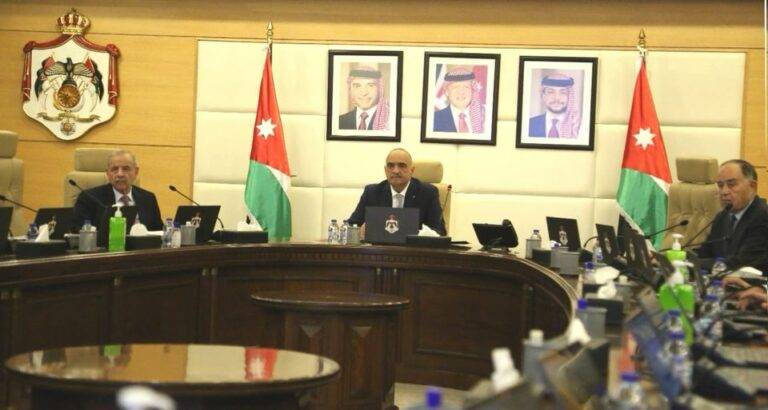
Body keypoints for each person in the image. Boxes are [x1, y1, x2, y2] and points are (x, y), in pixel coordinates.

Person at [348, 148, 446, 236]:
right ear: (385, 170)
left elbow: (440, 232)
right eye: (390, 166)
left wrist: (421, 235)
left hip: (413, 249)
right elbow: (351, 225)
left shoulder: (428, 193)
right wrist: (359, 231)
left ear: (412, 170)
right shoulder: (372, 192)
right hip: (380, 249)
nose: (396, 171)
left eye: (402, 165)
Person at [695, 159, 768, 273]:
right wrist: (679, 259)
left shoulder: (763, 217)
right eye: (720, 185)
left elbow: (743, 263)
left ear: (752, 186)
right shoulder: (722, 217)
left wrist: (695, 264)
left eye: (732, 184)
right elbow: (705, 251)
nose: (724, 191)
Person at [73, 150, 163, 231]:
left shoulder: (148, 198)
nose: (120, 174)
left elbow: (159, 232)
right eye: (114, 169)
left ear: (136, 172)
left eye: (126, 169)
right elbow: (79, 232)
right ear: (108, 173)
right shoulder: (89, 198)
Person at [338, 64, 390, 131]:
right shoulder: (340, 121)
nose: (364, 93)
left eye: (370, 85)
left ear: (380, 89)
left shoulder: (389, 121)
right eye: (357, 86)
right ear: (350, 90)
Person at [528, 73, 581, 138]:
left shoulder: (578, 127)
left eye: (563, 92)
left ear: (570, 96)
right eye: (551, 92)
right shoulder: (529, 125)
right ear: (543, 96)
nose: (557, 98)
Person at [433, 66, 485, 133]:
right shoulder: (435, 119)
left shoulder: (484, 117)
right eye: (456, 87)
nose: (461, 92)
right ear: (447, 92)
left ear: (473, 91)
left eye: (466, 87)